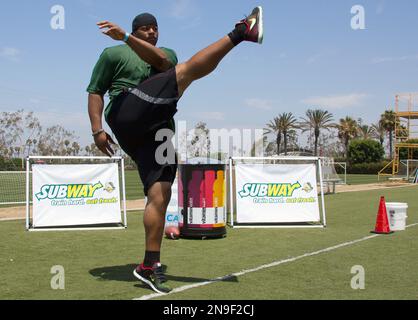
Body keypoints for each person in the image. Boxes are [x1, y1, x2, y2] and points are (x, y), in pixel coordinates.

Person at [87, 6, 263, 294]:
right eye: (146, 28)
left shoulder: (165, 52)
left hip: (157, 130)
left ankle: (149, 265)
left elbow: (165, 64)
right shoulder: (113, 54)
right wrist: (97, 130)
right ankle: (242, 31)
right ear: (135, 29)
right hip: (126, 111)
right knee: (187, 73)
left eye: (155, 28)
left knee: (160, 193)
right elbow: (95, 91)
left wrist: (127, 37)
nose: (152, 32)